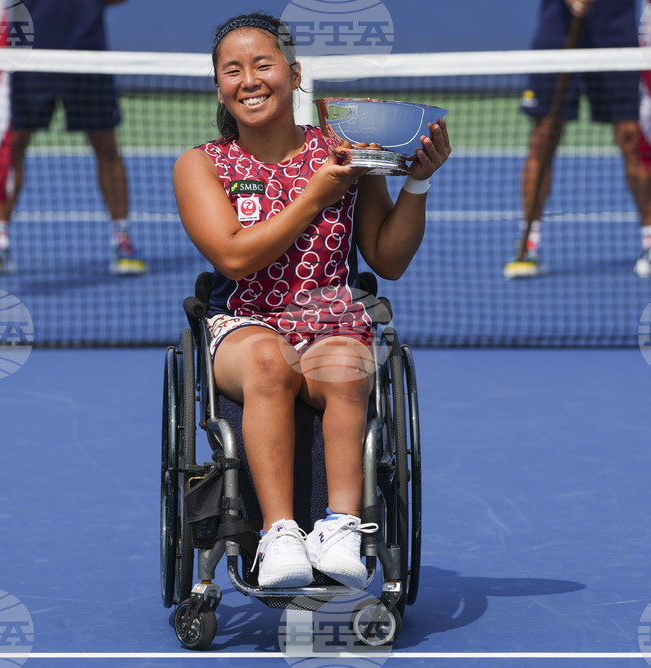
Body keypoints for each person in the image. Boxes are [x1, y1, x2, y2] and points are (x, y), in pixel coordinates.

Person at [172, 12, 450, 588]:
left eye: (263, 65)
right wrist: (314, 194)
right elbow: (234, 257)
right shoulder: (201, 165)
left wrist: (416, 183)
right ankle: (279, 537)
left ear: (294, 74)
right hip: (243, 323)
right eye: (233, 70)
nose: (249, 79)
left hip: (331, 318)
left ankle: (343, 526)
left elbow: (388, 260)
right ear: (219, 87)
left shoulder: (347, 153)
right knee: (271, 363)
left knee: (348, 364)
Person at [503, 0, 651, 280]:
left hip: (615, 31)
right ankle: (528, 242)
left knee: (632, 138)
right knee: (544, 137)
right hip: (559, 32)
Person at [0, 0, 147, 277]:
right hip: (27, 55)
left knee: (106, 146)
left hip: (87, 57)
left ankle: (122, 239)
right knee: (14, 146)